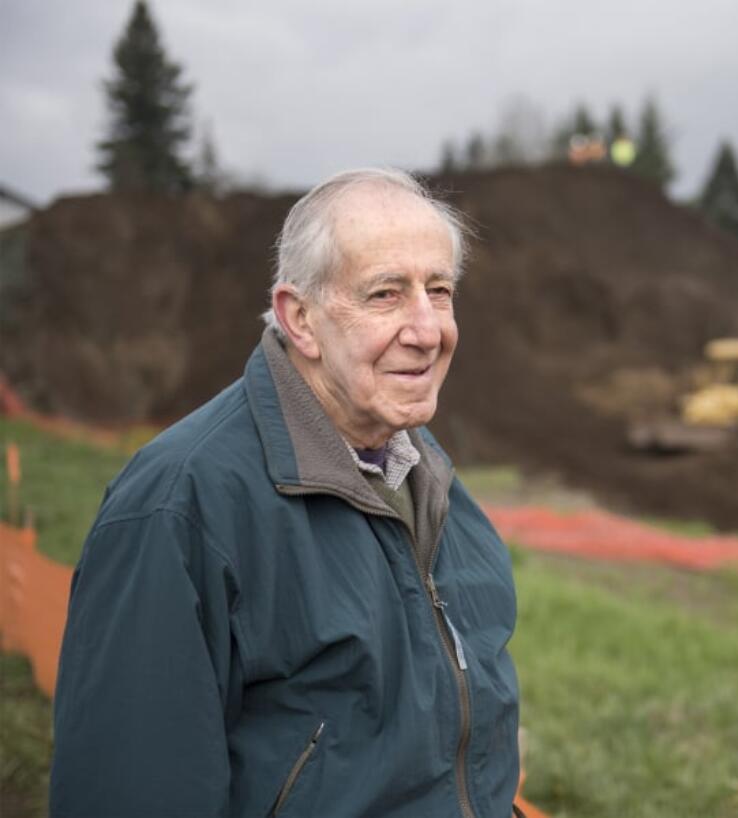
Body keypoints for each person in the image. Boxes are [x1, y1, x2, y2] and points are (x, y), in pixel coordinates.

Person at [50, 168, 520, 817]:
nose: (427, 330)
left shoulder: (420, 467)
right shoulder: (179, 506)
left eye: (438, 291)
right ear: (298, 318)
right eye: (385, 294)